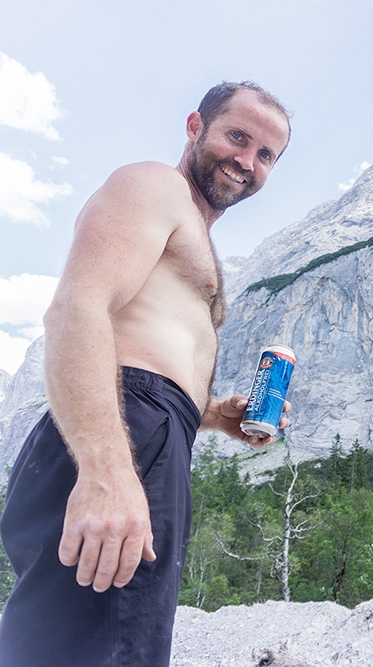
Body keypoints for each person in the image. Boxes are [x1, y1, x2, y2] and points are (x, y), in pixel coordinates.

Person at [0, 81, 293, 666]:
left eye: (266, 155)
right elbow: (77, 310)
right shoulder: (153, 185)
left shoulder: (189, 232)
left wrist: (212, 415)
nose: (247, 161)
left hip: (148, 430)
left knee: (89, 647)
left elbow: (144, 347)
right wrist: (107, 468)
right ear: (195, 127)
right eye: (238, 136)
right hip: (123, 435)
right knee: (110, 650)